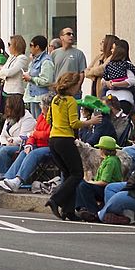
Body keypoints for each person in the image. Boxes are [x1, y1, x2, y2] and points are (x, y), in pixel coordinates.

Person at [46, 72, 85, 221]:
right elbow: (74, 123)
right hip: (65, 139)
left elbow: (49, 118)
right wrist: (91, 122)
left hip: (53, 138)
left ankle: (68, 210)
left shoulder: (55, 99)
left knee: (68, 174)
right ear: (72, 86)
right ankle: (56, 199)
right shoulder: (71, 101)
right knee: (77, 173)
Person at [0, 95, 37, 180]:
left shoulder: (27, 118)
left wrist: (12, 140)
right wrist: (5, 143)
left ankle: (3, 177)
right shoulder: (9, 118)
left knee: (4, 150)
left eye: (8, 106)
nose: (6, 108)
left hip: (22, 146)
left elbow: (24, 137)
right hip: (8, 144)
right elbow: (2, 135)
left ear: (15, 106)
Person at [75, 137, 124, 221]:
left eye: (100, 148)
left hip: (108, 189)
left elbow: (104, 182)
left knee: (84, 186)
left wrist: (90, 182)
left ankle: (94, 212)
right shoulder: (108, 160)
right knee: (80, 183)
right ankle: (82, 208)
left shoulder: (111, 161)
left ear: (103, 150)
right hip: (104, 188)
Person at [22, 35, 54, 118]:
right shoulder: (35, 60)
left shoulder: (46, 61)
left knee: (41, 121)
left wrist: (31, 78)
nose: (30, 48)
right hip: (33, 97)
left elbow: (47, 80)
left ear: (37, 47)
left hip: (41, 98)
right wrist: (27, 77)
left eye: (31, 45)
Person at [51, 27, 88, 93]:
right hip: (58, 90)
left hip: (73, 91)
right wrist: (52, 86)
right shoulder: (54, 53)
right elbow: (51, 71)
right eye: (68, 34)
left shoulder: (79, 53)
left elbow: (82, 73)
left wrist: (77, 87)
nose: (71, 36)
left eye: (72, 34)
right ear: (61, 37)